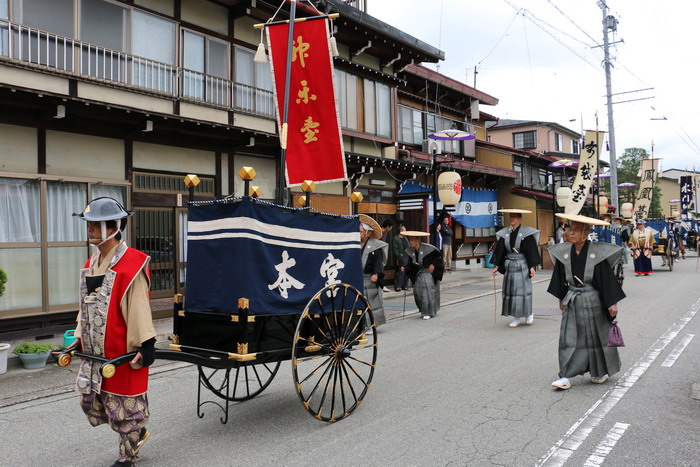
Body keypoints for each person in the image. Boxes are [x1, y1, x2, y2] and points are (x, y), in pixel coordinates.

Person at [72, 197, 156, 467]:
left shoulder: (133, 263)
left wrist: (146, 343)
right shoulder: (93, 260)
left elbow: (139, 307)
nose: (90, 229)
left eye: (95, 224)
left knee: (126, 408)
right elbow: (85, 304)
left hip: (123, 350)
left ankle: (127, 457)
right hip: (97, 351)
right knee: (95, 401)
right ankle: (135, 434)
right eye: (89, 224)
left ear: (113, 226)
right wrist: (78, 335)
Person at [547, 213, 626, 390]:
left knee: (596, 339)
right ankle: (566, 375)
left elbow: (606, 279)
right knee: (569, 338)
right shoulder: (564, 252)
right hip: (573, 299)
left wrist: (611, 303)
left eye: (575, 230)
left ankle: (599, 371)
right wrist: (561, 297)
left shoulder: (595, 253)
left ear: (585, 233)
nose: (571, 233)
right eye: (569, 229)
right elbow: (560, 278)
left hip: (593, 300)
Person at [491, 209, 541, 328]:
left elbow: (531, 251)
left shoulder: (526, 233)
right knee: (511, 292)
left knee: (524, 291)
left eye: (514, 217)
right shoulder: (505, 233)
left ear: (520, 219)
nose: (512, 219)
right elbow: (500, 250)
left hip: (522, 264)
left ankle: (529, 314)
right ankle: (516, 317)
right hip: (510, 265)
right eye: (510, 217)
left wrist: (532, 267)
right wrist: (496, 266)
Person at [401, 230, 444, 320]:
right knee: (417, 293)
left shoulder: (428, 248)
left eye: (412, 240)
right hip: (419, 274)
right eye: (410, 240)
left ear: (417, 240)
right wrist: (405, 268)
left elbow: (438, 257)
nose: (411, 242)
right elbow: (410, 264)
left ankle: (428, 312)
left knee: (427, 292)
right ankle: (423, 310)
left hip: (428, 274)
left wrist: (433, 264)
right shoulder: (411, 251)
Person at [359, 215, 388, 331]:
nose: (359, 234)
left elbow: (378, 262)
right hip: (358, 278)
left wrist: (376, 273)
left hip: (370, 278)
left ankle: (371, 325)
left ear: (368, 233)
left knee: (372, 303)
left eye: (361, 232)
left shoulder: (375, 246)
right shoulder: (355, 245)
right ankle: (361, 325)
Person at [392, 225, 410, 291]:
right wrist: (399, 256)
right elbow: (395, 249)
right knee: (401, 270)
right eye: (404, 230)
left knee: (407, 269)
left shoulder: (405, 238)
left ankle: (405, 285)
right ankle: (398, 285)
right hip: (402, 255)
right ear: (401, 231)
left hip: (407, 254)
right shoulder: (396, 238)